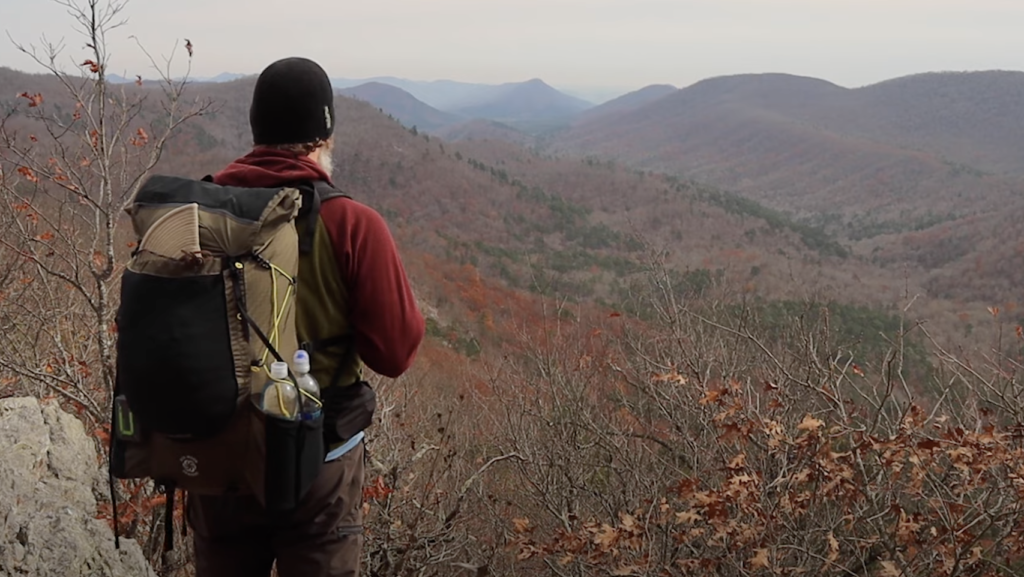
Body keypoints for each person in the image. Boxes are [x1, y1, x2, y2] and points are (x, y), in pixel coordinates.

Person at [185, 56, 425, 577]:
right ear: (326, 135)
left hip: (216, 459)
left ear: (256, 131)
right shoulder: (353, 223)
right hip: (320, 463)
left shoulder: (199, 215)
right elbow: (396, 353)